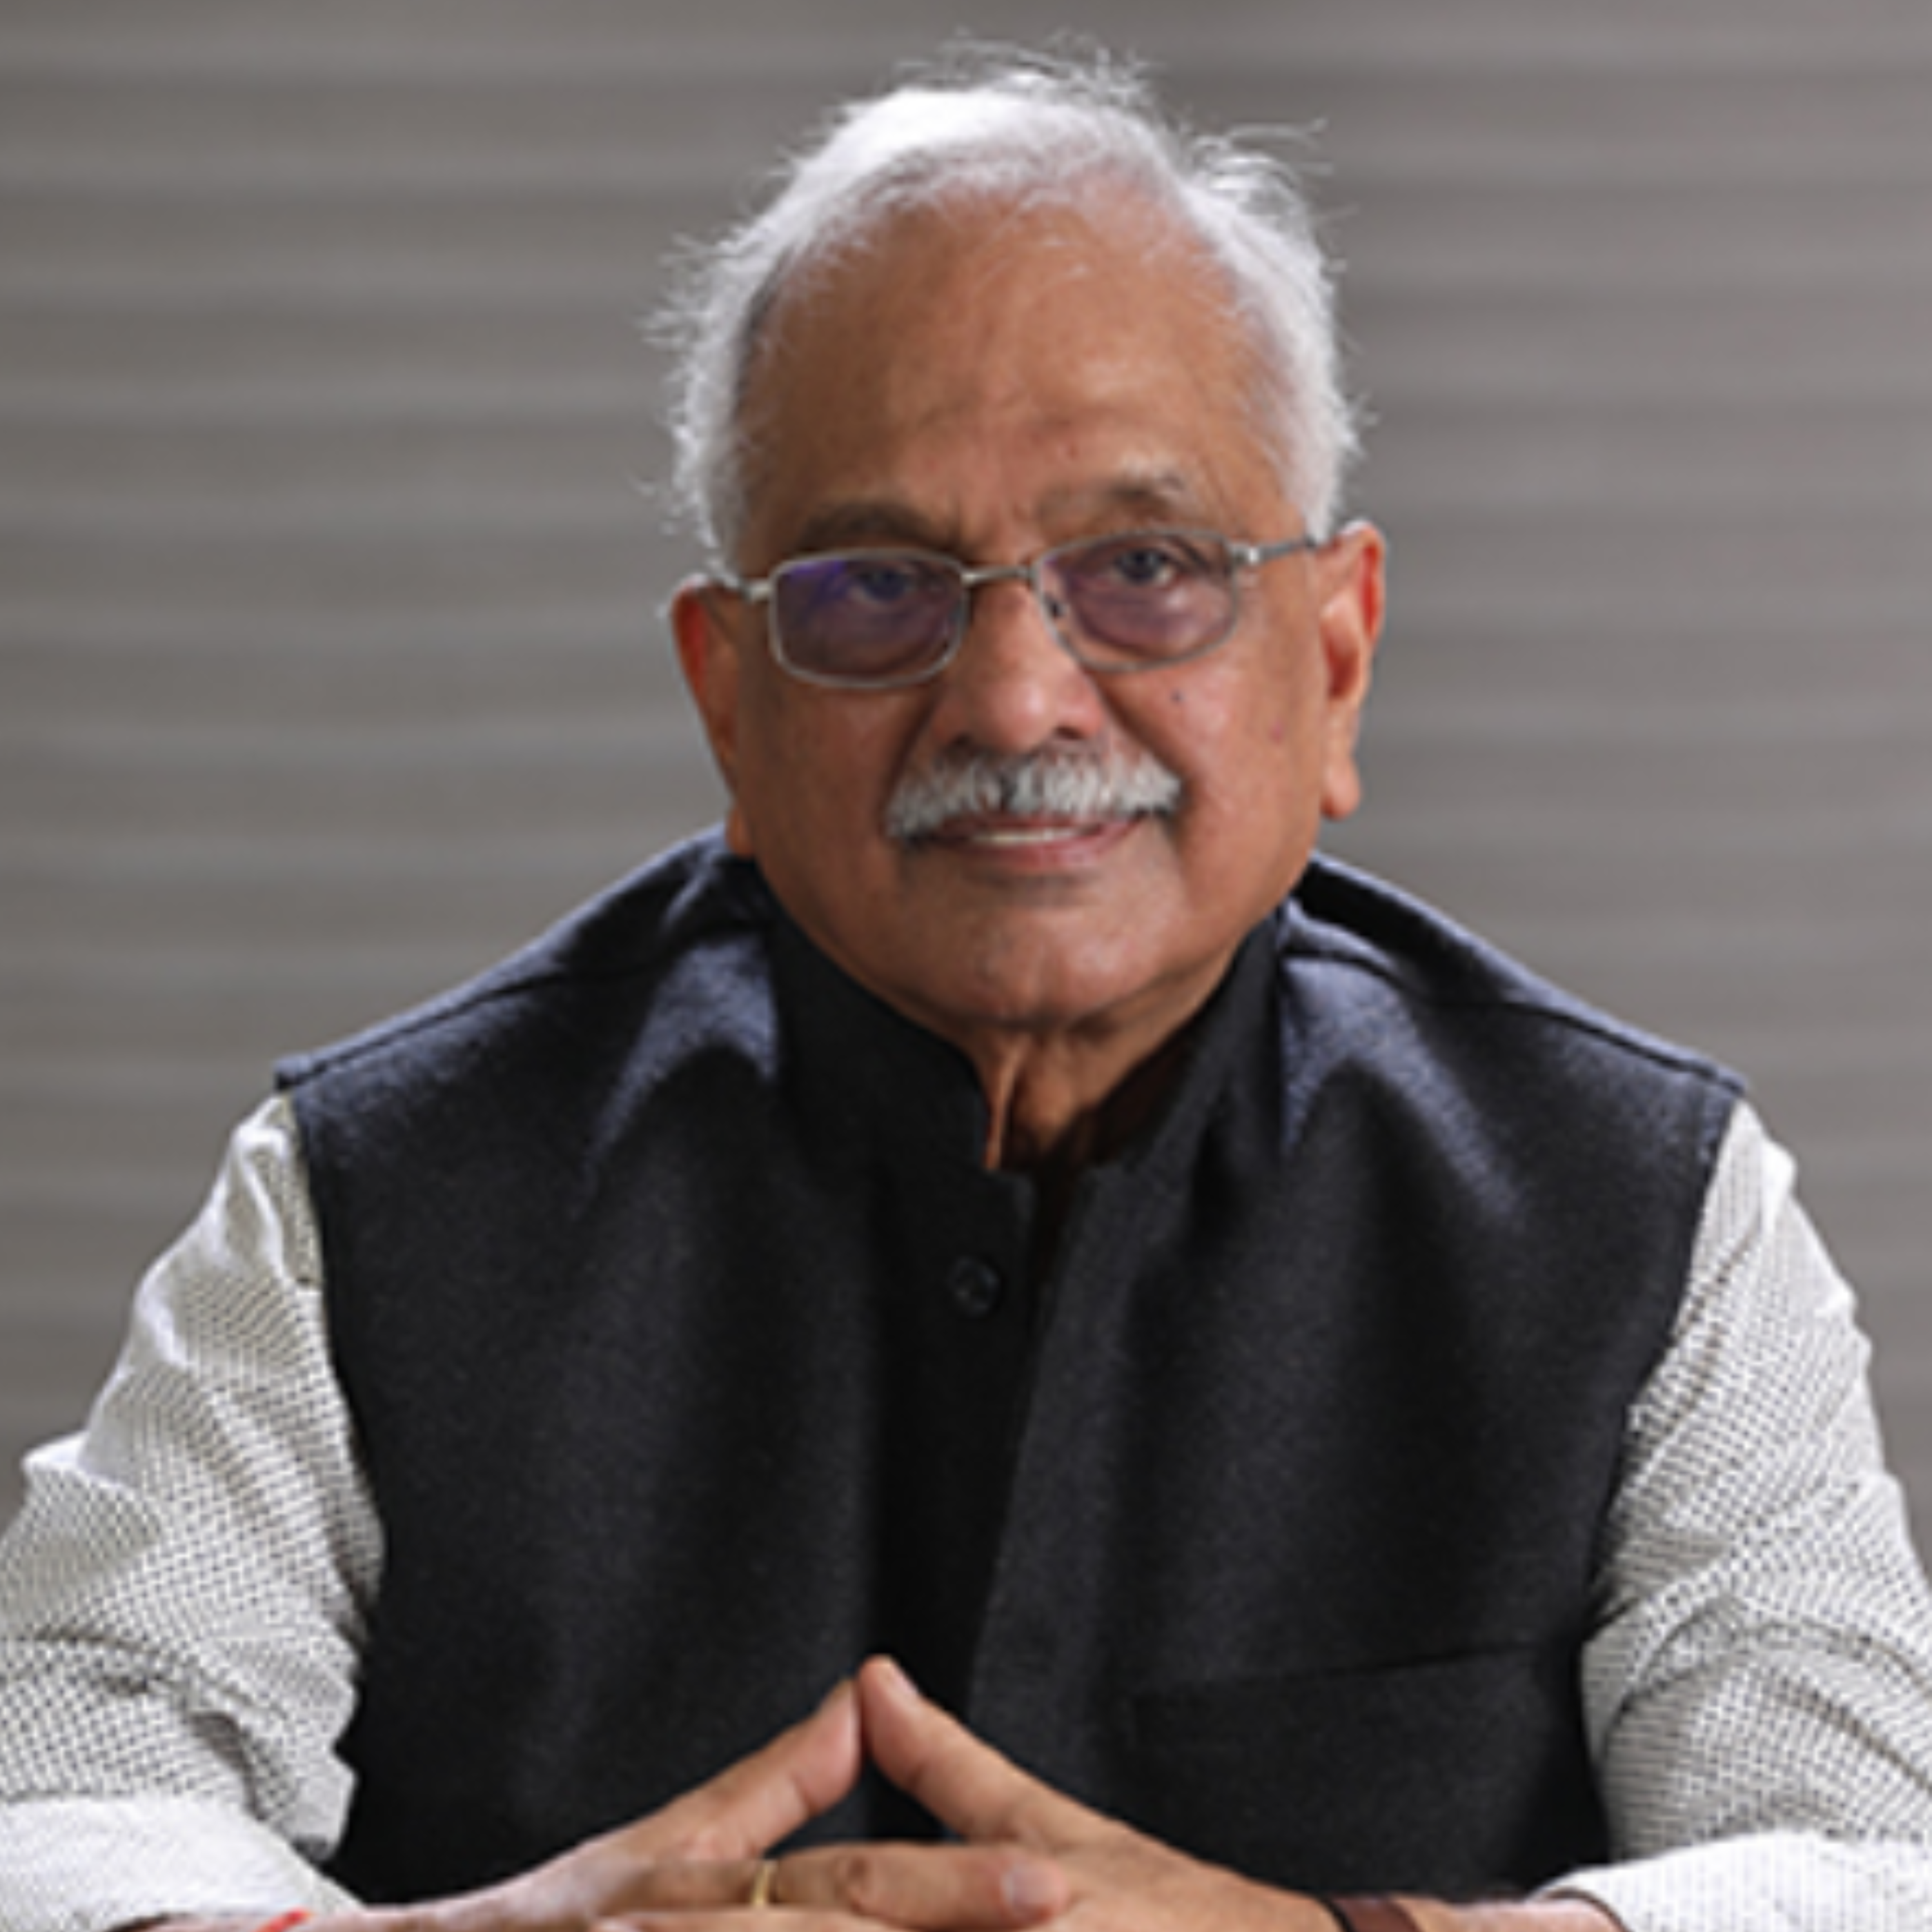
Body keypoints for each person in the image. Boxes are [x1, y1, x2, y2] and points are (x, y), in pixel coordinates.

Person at [3, 46, 1931, 1932]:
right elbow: (59, 1792)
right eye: (873, 589)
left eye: (1146, 567)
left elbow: (1865, 1860)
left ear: (1335, 657)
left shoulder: (1646, 1209)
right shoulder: (364, 1203)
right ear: (728, 702)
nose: (1014, 703)